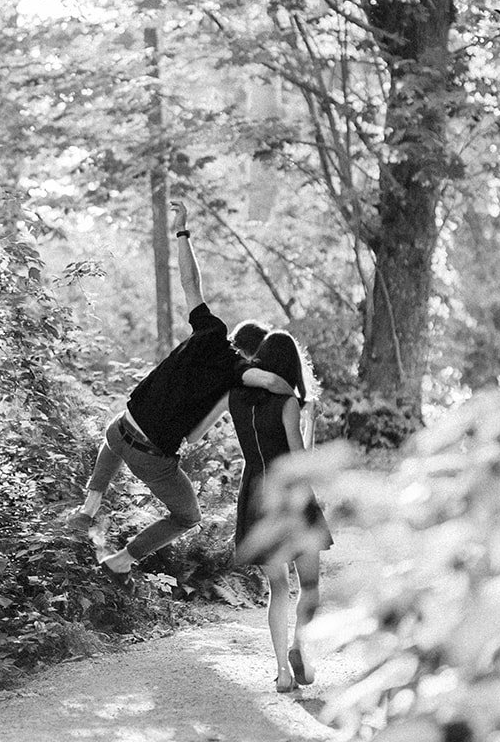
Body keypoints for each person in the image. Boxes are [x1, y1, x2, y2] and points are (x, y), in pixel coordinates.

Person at [66, 201, 293, 573]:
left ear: (235, 334)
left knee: (112, 437)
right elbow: (259, 389)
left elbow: (190, 282)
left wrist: (182, 230)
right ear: (255, 356)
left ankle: (89, 508)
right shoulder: (238, 372)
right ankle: (122, 561)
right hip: (150, 456)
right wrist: (294, 388)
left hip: (122, 426)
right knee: (188, 516)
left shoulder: (209, 331)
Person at [219, 329, 332, 692]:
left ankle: (283, 671)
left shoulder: (237, 399)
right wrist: (310, 420)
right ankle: (300, 645)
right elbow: (299, 460)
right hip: (291, 497)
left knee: (278, 588)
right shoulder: (288, 405)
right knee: (310, 586)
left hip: (255, 496)